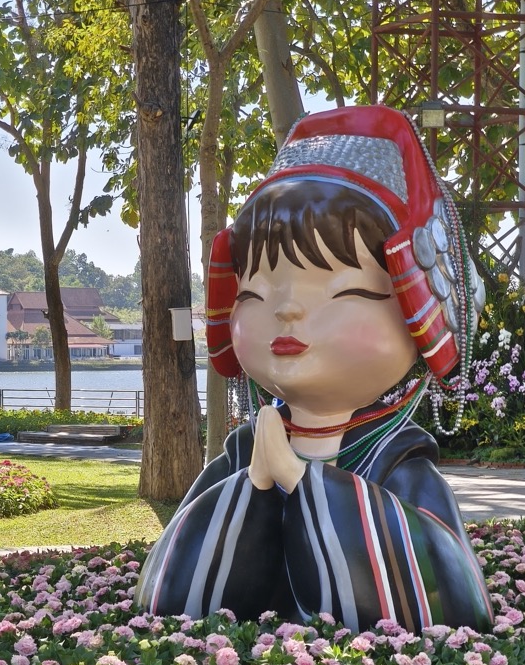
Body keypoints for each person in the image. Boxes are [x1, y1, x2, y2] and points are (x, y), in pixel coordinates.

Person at [135, 105, 494, 634]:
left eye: (341, 290)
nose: (287, 309)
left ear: (415, 315)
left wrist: (303, 480)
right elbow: (165, 590)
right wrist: (253, 483)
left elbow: (454, 598)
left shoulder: (398, 458)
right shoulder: (244, 451)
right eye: (257, 291)